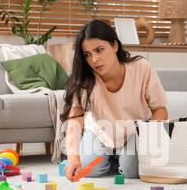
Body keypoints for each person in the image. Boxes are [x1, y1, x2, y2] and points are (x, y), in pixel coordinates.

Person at [60, 19, 168, 181]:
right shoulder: (85, 79)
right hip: (100, 131)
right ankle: (112, 160)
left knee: (131, 171)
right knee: (90, 170)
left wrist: (150, 135)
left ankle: (121, 161)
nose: (94, 59)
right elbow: (75, 120)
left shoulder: (141, 68)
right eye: (87, 54)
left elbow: (160, 109)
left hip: (133, 132)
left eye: (99, 50)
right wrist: (73, 159)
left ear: (115, 46)